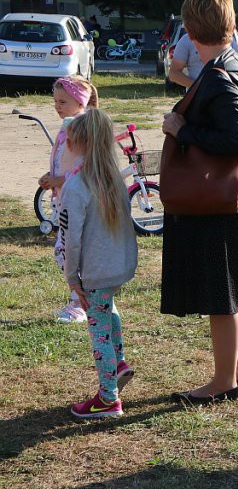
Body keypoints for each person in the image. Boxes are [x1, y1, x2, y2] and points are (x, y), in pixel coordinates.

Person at [161, 0, 238, 406]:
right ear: (230, 25)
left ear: (190, 31)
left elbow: (236, 137)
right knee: (227, 288)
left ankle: (222, 382)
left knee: (220, 295)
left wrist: (180, 129)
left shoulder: (220, 75)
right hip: (237, 194)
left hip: (225, 198)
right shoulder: (236, 63)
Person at [60, 108, 139, 419]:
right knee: (107, 311)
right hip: (118, 266)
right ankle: (119, 364)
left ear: (74, 143)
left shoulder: (76, 187)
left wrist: (72, 279)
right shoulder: (113, 180)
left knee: (99, 331)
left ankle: (108, 398)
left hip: (95, 271)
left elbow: (71, 239)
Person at [38, 75, 98, 323]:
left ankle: (79, 304)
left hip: (78, 200)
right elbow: (66, 160)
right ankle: (79, 300)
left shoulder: (82, 127)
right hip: (66, 199)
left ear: (80, 101)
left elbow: (86, 165)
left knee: (69, 252)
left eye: (63, 101)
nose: (57, 106)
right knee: (65, 251)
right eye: (55, 101)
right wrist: (52, 176)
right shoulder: (69, 126)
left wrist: (61, 180)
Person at [167, 32, 238, 90]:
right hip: (197, 100)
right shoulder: (187, 39)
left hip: (224, 96)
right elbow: (173, 74)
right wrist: (199, 87)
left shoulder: (228, 39)